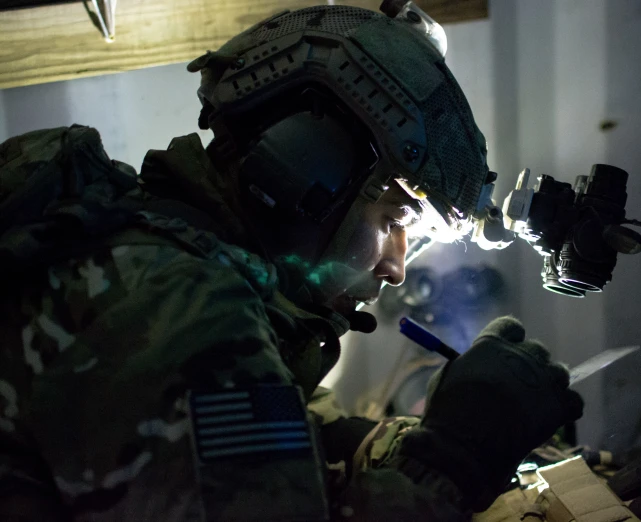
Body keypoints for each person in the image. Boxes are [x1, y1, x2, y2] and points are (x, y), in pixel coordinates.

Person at [0, 4, 583, 521]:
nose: (396, 268)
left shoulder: (149, 244)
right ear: (305, 174)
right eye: (397, 223)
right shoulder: (187, 318)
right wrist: (452, 464)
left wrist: (367, 441)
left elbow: (251, 424)